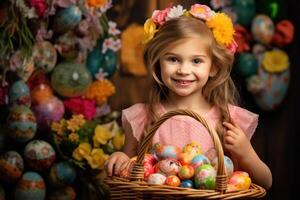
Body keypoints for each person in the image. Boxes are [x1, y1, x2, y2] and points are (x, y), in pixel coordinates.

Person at [106, 4, 272, 189]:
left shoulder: (229, 120)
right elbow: (130, 166)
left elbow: (266, 182)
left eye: (196, 61)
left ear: (213, 67)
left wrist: (245, 153)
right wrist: (120, 158)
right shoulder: (142, 117)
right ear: (158, 62)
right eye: (173, 59)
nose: (184, 70)